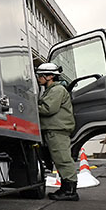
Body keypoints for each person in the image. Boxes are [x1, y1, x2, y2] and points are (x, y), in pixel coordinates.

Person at [36, 62, 78, 201]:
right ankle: (65, 189)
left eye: (40, 75)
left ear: (49, 76)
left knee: (63, 159)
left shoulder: (57, 90)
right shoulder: (51, 90)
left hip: (57, 130)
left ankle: (70, 191)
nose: (38, 78)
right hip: (54, 130)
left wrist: (32, 107)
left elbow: (48, 109)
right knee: (60, 160)